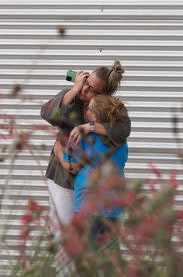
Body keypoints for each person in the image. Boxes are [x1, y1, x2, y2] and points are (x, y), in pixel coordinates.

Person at [40, 61, 130, 247]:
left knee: (84, 240)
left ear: (104, 95)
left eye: (92, 90)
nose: (85, 90)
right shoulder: (71, 95)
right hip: (63, 177)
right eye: (87, 83)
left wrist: (89, 126)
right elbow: (47, 114)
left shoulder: (109, 109)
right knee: (63, 232)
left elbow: (123, 129)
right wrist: (74, 89)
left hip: (90, 183)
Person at [53, 94, 128, 244]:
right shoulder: (121, 139)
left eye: (89, 109)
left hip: (87, 207)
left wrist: (60, 153)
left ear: (95, 116)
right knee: (109, 255)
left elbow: (72, 168)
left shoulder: (84, 138)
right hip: (115, 209)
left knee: (86, 257)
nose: (85, 111)